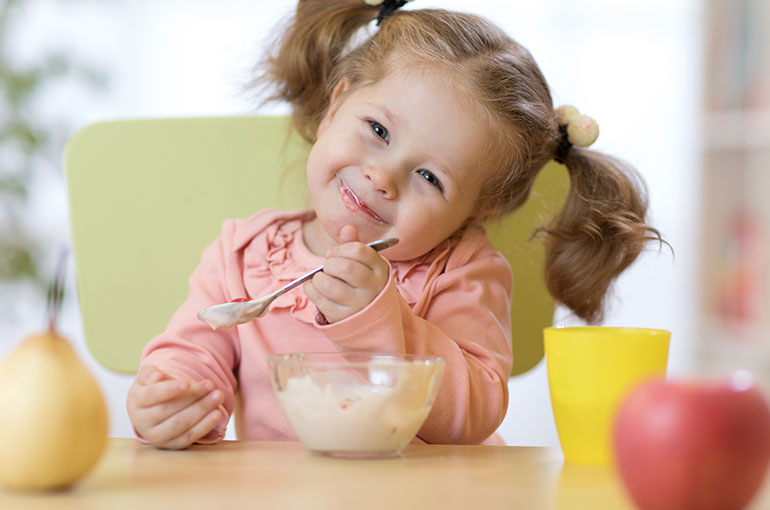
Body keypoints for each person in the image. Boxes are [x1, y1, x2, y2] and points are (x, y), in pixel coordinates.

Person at [127, 0, 663, 450]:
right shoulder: (243, 254)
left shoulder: (462, 270)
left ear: (477, 213)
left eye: (430, 176)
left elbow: (475, 409)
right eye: (378, 129)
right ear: (337, 103)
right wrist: (172, 397)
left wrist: (378, 320)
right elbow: (194, 354)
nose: (383, 177)